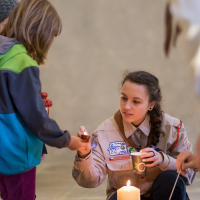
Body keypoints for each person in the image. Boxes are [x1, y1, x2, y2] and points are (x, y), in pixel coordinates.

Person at [0, 0, 89, 200]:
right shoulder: (22, 61)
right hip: (17, 154)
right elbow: (35, 118)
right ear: (38, 31)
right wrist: (68, 140)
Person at [72, 71, 196, 200]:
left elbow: (190, 174)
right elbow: (89, 181)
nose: (126, 106)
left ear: (151, 104)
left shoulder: (173, 128)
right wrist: (84, 153)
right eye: (124, 98)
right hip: (127, 195)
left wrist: (163, 160)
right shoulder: (104, 132)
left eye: (136, 101)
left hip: (164, 195)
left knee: (169, 180)